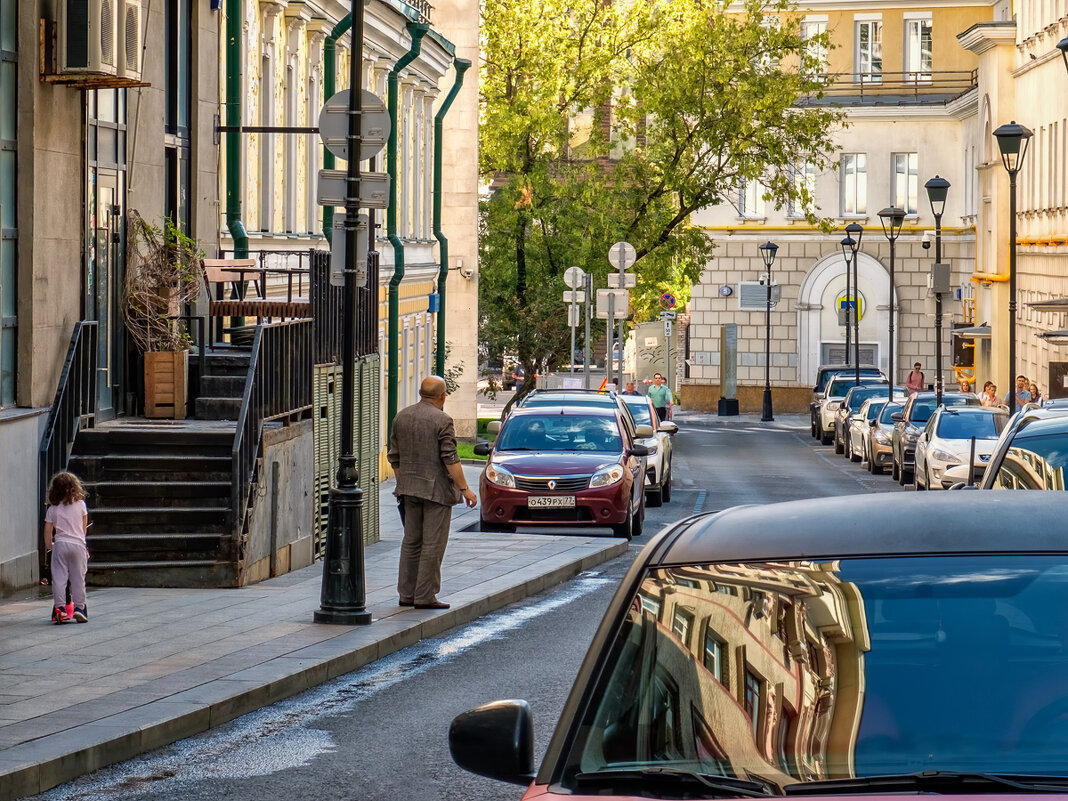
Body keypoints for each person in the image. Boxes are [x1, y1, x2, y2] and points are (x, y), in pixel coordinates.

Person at [387, 376, 477, 610]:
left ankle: (406, 594)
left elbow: (394, 456)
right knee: (432, 544)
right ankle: (426, 595)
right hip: (436, 491)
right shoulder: (442, 420)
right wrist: (465, 488)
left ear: (420, 392)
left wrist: (401, 483)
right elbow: (450, 458)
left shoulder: (402, 416)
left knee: (411, 542)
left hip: (408, 489)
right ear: (443, 396)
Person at [43, 472, 89, 624]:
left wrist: (50, 546)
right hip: (78, 545)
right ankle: (79, 609)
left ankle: (60, 609)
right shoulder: (81, 504)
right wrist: (82, 542)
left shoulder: (53, 509)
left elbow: (48, 530)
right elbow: (83, 529)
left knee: (59, 579)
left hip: (61, 545)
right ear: (75, 487)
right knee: (78, 579)